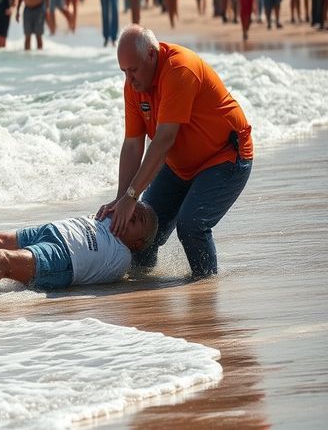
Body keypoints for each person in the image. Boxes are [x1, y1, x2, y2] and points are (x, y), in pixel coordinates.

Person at [98, 25, 253, 277]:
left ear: (151, 54)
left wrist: (132, 194)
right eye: (124, 72)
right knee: (140, 229)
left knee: (191, 224)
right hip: (180, 165)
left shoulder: (179, 69)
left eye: (133, 70)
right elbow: (132, 144)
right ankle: (142, 287)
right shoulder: (134, 87)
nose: (129, 79)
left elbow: (164, 140)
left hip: (225, 157)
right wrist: (121, 200)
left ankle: (204, 290)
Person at [0, 203, 158, 296]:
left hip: (63, 259)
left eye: (138, 221)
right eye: (134, 209)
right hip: (51, 231)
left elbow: (102, 278)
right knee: (0, 240)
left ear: (138, 244)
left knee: (3, 259)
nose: (133, 213)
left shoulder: (121, 257)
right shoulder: (110, 216)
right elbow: (126, 197)